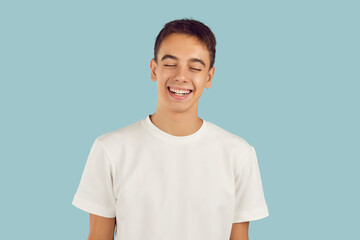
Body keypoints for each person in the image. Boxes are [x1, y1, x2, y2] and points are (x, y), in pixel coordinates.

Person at [72, 18, 269, 240]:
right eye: (170, 64)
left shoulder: (238, 154)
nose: (181, 76)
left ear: (209, 77)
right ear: (154, 69)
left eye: (194, 67)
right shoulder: (110, 149)